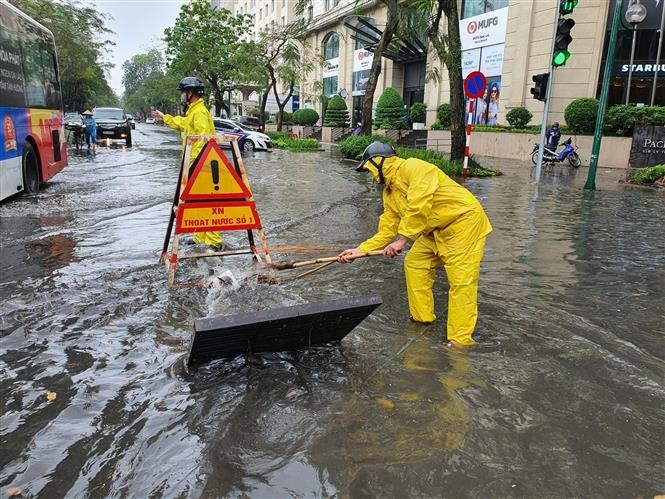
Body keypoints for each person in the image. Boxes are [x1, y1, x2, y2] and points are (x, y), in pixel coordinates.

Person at [338, 141, 492, 346]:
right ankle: (422, 319)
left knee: (461, 283)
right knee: (415, 263)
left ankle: (460, 342)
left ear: (378, 162)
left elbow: (420, 204)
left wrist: (403, 240)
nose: (370, 176)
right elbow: (387, 229)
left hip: (463, 223)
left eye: (368, 169)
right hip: (434, 232)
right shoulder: (390, 193)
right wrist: (359, 251)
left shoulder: (414, 167)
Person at [154, 77, 223, 250]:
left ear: (190, 93)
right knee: (197, 202)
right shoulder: (194, 111)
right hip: (198, 163)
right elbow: (183, 124)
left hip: (202, 165)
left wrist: (192, 165)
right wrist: (165, 118)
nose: (182, 96)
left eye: (183, 93)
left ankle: (214, 242)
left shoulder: (199, 112)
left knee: (207, 204)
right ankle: (200, 237)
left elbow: (202, 139)